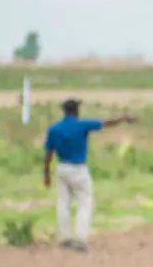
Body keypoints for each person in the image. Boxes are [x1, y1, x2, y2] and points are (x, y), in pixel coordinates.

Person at [43, 98, 135, 252]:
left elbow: (48, 153)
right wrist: (124, 118)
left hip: (62, 167)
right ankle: (80, 237)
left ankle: (64, 238)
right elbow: (106, 122)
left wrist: (46, 173)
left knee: (63, 203)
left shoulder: (54, 129)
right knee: (84, 202)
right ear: (76, 111)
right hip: (78, 168)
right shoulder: (81, 125)